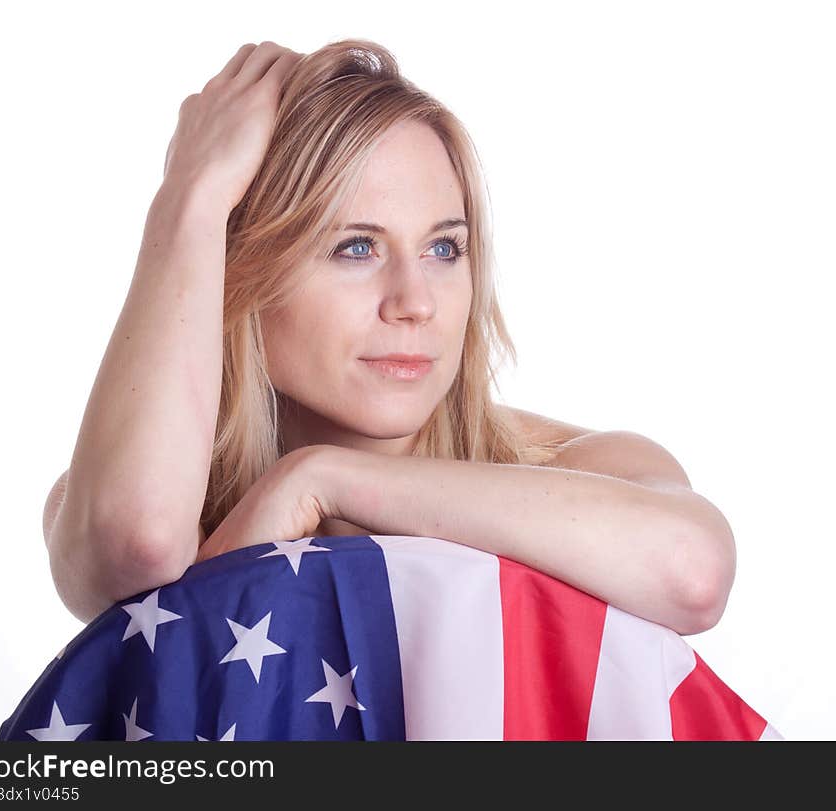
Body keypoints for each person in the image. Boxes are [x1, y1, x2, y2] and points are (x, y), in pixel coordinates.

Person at [43, 39, 736, 637]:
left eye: (443, 249)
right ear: (238, 276)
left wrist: (323, 479)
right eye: (354, 248)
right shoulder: (131, 482)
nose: (416, 303)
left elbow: (693, 570)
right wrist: (190, 196)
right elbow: (136, 540)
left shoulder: (583, 468)